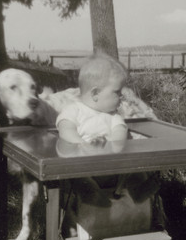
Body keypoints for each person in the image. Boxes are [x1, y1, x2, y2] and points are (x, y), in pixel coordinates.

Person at [56, 54, 159, 206]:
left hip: (113, 166)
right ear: (95, 93)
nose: (121, 97)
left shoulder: (113, 116)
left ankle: (139, 193)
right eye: (117, 92)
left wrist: (110, 143)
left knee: (135, 171)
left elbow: (120, 132)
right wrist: (82, 145)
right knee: (77, 178)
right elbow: (66, 129)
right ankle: (93, 197)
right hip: (83, 165)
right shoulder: (73, 110)